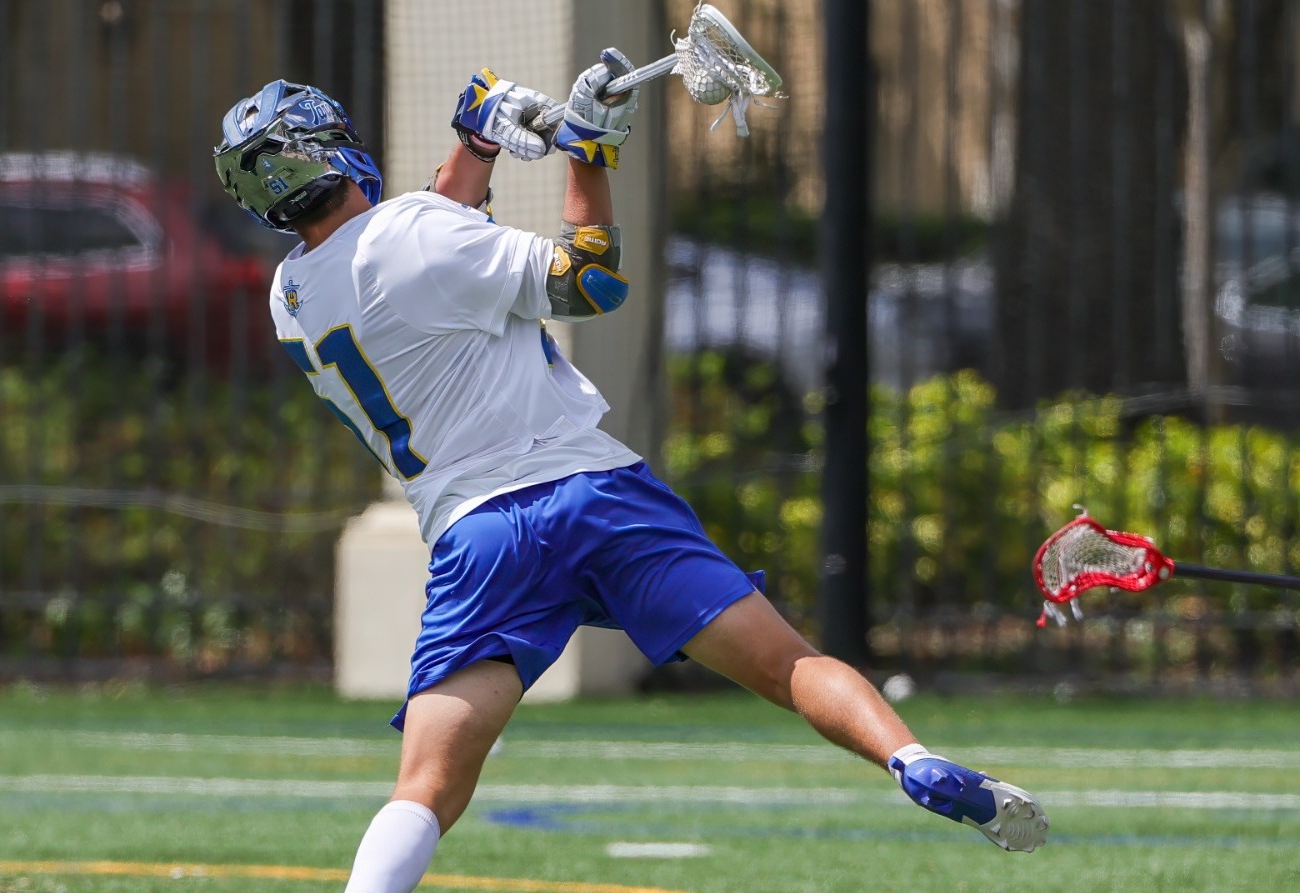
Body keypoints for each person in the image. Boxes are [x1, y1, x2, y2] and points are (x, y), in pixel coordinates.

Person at [213, 54, 1048, 893]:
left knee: (425, 787)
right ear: (334, 151)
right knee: (788, 666)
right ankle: (909, 757)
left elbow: (418, 242)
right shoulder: (416, 230)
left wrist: (477, 142)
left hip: (480, 538)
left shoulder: (291, 296)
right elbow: (588, 282)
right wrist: (588, 151)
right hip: (596, 496)